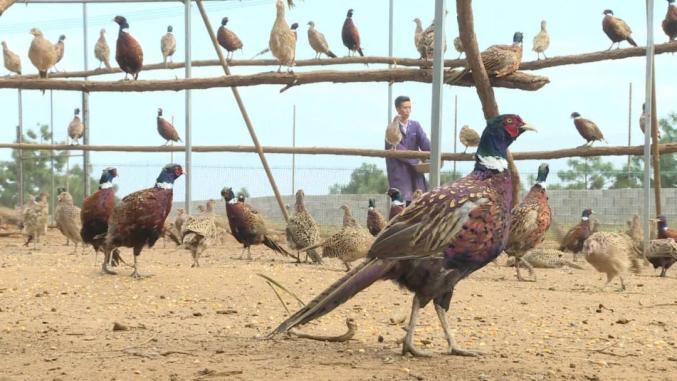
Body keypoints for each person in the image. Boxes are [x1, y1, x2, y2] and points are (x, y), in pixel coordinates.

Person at [385, 96, 431, 204]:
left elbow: (424, 142)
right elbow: (397, 149)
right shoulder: (391, 128)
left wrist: (434, 153)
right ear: (397, 109)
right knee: (399, 205)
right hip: (399, 172)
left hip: (415, 173)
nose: (408, 110)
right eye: (405, 107)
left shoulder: (415, 126)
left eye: (409, 107)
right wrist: (416, 161)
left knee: (417, 202)